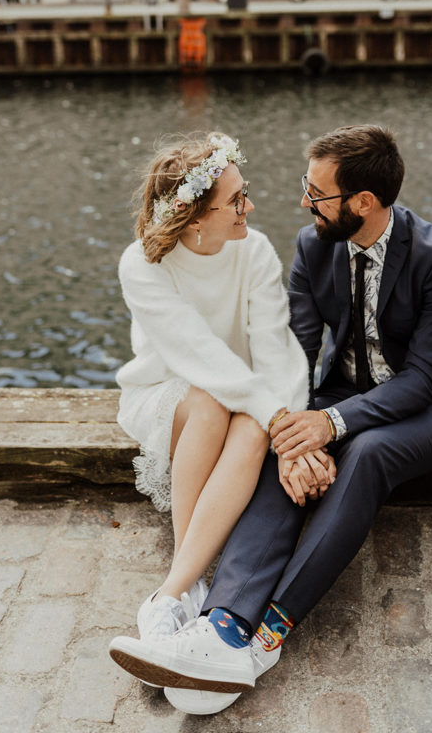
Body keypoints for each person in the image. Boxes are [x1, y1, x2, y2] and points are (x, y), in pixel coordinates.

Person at [140, 124, 432, 715]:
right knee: (283, 443)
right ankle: (221, 624)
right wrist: (300, 434)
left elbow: (422, 380)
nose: (305, 201)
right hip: (341, 391)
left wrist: (332, 426)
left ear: (363, 204)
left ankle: (264, 639)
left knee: (368, 454)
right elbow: (292, 353)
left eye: (318, 192)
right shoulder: (313, 245)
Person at [108, 132, 336, 688]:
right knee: (212, 403)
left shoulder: (252, 249)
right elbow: (198, 356)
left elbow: (278, 351)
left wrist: (288, 435)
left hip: (245, 399)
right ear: (192, 220)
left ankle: (176, 594)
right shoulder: (142, 264)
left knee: (250, 424)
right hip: (167, 393)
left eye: (245, 192)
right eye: (235, 200)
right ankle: (179, 590)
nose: (249, 207)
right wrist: (274, 414)